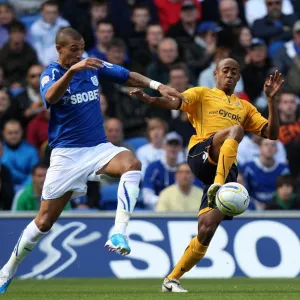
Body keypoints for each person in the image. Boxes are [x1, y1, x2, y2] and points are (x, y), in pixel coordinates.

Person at [0, 27, 185, 294]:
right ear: (59, 49)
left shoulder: (93, 65)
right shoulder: (50, 73)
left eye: (82, 47)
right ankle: (8, 269)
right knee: (43, 223)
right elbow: (50, 97)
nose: (79, 53)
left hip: (98, 148)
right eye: (73, 49)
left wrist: (158, 85)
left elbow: (126, 75)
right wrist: (74, 70)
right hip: (66, 155)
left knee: (132, 164)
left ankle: (118, 231)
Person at [130, 58, 284, 292]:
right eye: (226, 71)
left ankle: (171, 279)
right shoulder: (202, 94)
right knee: (236, 130)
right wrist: (150, 99)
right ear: (216, 74)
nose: (230, 75)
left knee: (206, 228)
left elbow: (271, 134)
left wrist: (272, 101)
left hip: (226, 165)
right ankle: (219, 187)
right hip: (202, 152)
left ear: (239, 77)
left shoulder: (245, 107)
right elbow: (175, 102)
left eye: (234, 72)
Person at [241, 139, 290, 210]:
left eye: (273, 145)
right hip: (250, 208)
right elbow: (243, 191)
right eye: (266, 144)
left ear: (276, 149)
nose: (269, 147)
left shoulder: (283, 169)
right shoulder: (248, 168)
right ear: (259, 148)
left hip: (276, 209)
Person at [142, 131, 184, 210]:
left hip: (181, 208)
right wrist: (165, 202)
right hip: (157, 209)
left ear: (181, 148)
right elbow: (147, 196)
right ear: (164, 147)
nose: (173, 148)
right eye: (170, 144)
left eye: (176, 145)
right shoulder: (153, 167)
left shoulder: (185, 169)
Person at [29, 0, 70, 66]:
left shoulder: (64, 24)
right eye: (48, 12)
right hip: (45, 63)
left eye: (54, 12)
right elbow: (38, 51)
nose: (51, 15)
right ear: (42, 12)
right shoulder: (35, 28)